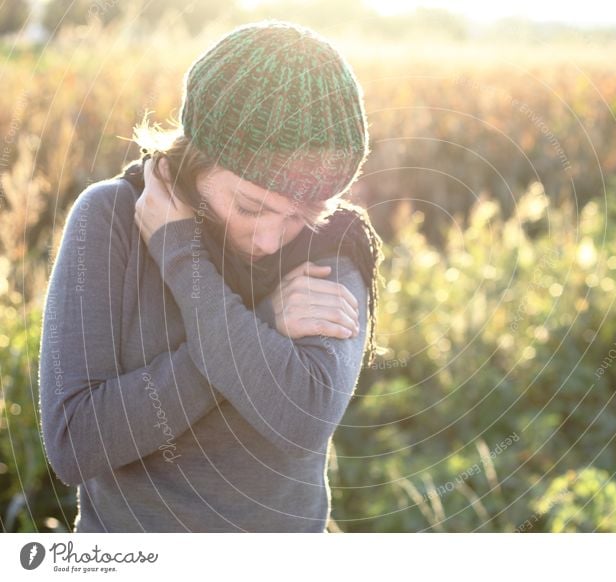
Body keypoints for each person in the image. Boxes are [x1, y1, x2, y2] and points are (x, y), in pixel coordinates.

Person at [37, 19, 384, 532]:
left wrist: (182, 259)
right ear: (197, 160)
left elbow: (300, 419)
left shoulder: (333, 239)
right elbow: (75, 444)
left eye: (303, 211)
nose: (271, 239)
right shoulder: (111, 218)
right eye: (251, 207)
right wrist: (262, 322)